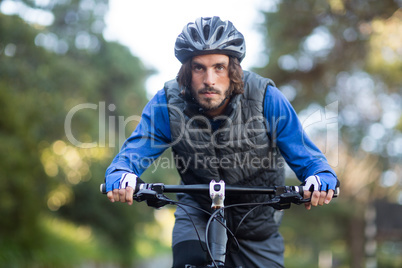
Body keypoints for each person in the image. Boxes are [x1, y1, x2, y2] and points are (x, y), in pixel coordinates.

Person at [104, 16, 338, 268]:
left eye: (219, 67)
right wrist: (121, 173)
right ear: (186, 71)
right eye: (198, 68)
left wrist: (319, 176)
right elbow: (135, 151)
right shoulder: (167, 103)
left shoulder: (264, 97)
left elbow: (307, 156)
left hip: (257, 226)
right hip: (198, 214)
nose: (209, 80)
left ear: (233, 68)